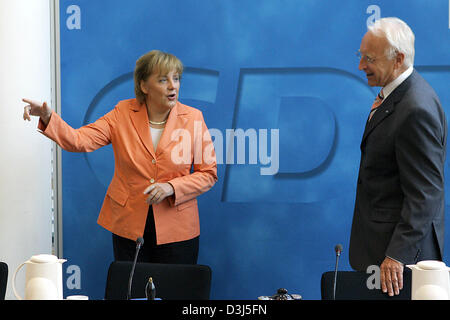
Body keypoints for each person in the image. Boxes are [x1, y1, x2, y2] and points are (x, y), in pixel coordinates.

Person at [22, 50, 218, 264]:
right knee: (131, 293)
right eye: (163, 80)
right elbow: (79, 140)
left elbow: (208, 174)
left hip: (178, 229)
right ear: (144, 86)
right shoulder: (122, 113)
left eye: (176, 78)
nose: (173, 86)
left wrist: (171, 187)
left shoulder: (193, 118)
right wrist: (47, 116)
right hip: (130, 226)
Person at [349, 18, 447, 297]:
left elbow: (426, 194)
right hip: (384, 256)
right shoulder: (395, 96)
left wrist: (396, 255)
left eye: (368, 58)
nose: (360, 66)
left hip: (400, 265)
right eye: (360, 56)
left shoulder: (416, 108)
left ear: (398, 59)